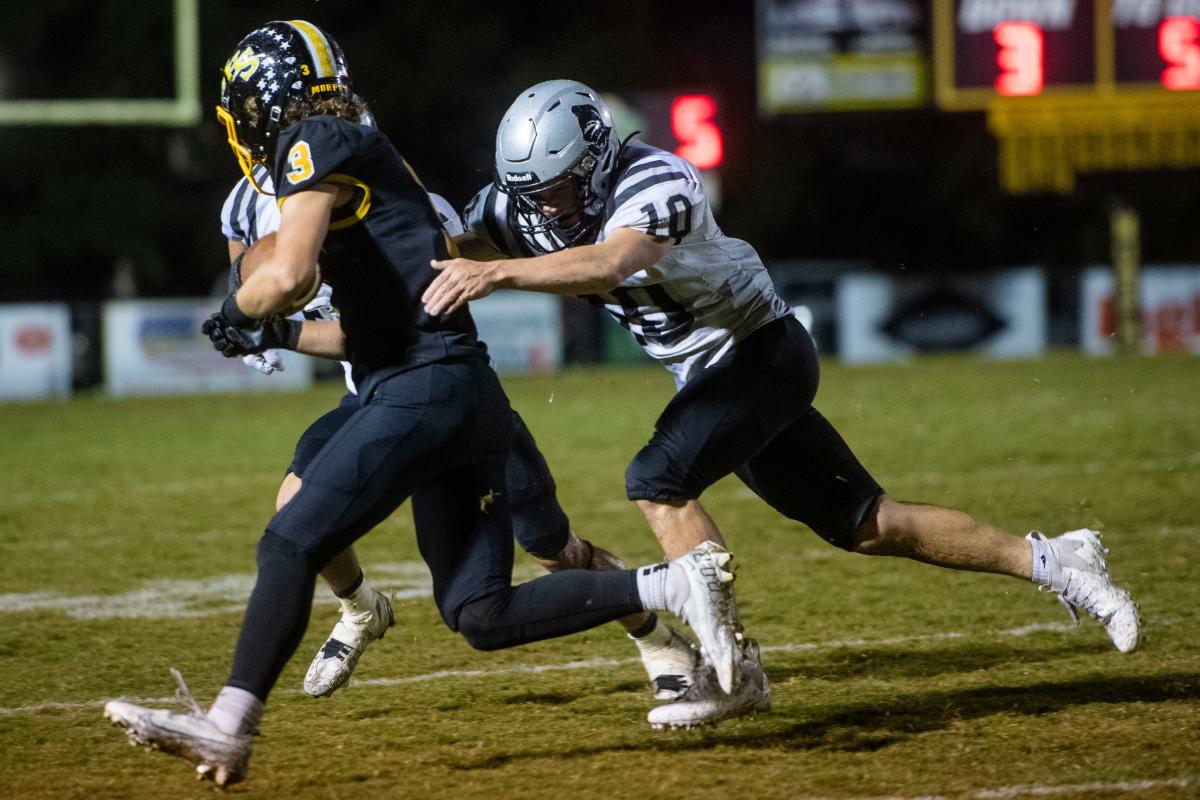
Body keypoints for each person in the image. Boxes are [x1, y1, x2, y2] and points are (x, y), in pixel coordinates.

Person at [103, 24, 740, 786]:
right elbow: (362, 330)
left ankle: (227, 726)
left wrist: (244, 307)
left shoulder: (316, 137)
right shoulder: (351, 154)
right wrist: (269, 327)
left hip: (424, 388)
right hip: (446, 391)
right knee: (480, 613)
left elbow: (290, 274)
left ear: (257, 104)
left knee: (289, 540)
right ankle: (673, 584)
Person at [420, 79, 1143, 729]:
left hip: (761, 352)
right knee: (868, 524)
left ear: (599, 160)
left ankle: (733, 668)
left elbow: (612, 261)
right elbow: (453, 236)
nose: (543, 207)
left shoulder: (657, 180)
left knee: (656, 479)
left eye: (558, 189)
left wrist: (500, 275)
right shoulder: (523, 204)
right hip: (713, 378)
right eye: (532, 193)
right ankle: (1057, 560)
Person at [220, 159, 699, 701]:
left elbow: (393, 331)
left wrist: (279, 329)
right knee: (295, 506)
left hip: (445, 397)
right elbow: (242, 266)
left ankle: (658, 638)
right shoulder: (248, 198)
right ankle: (360, 608)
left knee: (554, 551)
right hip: (367, 399)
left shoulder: (407, 212)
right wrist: (251, 319)